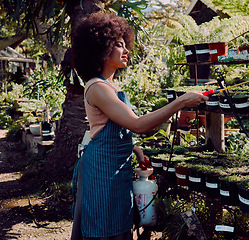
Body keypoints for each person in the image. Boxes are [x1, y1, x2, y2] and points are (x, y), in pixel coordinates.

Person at [70, 12, 208, 240]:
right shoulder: (97, 87)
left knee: (120, 222)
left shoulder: (109, 86)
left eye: (126, 45)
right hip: (102, 171)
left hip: (116, 166)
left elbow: (108, 127)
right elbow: (137, 124)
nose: (126, 51)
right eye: (119, 45)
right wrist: (181, 101)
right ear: (100, 48)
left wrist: (134, 148)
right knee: (104, 226)